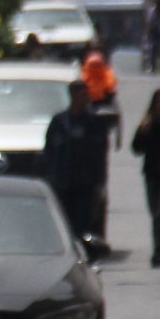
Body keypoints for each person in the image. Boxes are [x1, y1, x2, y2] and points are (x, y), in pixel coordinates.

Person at [42, 80, 111, 242]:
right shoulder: (59, 122)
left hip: (86, 183)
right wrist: (51, 175)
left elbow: (101, 153)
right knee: (64, 222)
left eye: (86, 94)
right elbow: (49, 151)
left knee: (83, 222)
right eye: (82, 94)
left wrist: (100, 182)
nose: (86, 98)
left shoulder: (94, 122)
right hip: (63, 182)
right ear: (73, 95)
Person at [131, 88, 160, 268]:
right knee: (156, 215)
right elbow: (136, 149)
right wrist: (143, 132)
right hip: (152, 174)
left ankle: (159, 251)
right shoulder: (147, 123)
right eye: (158, 102)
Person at [81, 46, 120, 149]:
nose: (96, 69)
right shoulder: (86, 77)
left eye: (98, 66)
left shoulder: (106, 76)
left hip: (102, 107)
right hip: (91, 107)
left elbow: (111, 90)